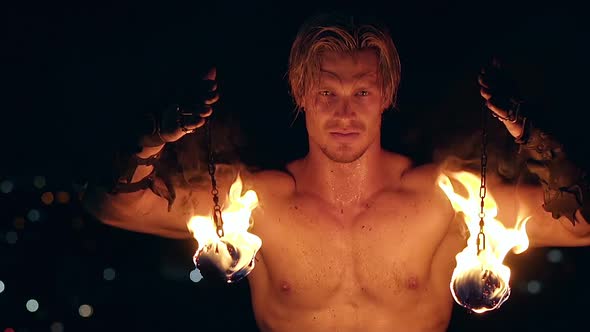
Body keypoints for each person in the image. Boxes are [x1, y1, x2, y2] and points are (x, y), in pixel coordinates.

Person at [82, 12, 590, 332]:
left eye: (362, 92)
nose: (344, 112)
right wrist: (154, 137)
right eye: (327, 91)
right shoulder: (261, 203)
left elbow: (582, 227)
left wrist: (531, 135)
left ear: (386, 95)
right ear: (301, 94)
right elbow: (112, 206)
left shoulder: (442, 198)